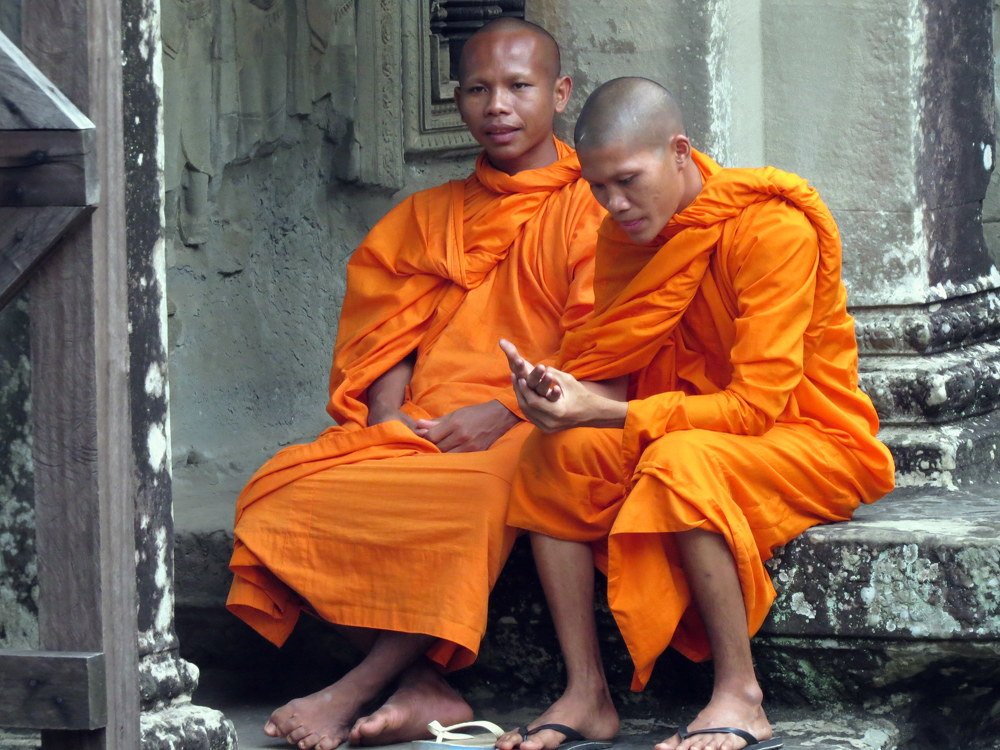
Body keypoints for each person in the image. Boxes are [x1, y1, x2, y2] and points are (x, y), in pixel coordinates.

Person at [226, 19, 605, 750]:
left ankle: (354, 688)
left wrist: (506, 410)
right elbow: (390, 336)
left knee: (476, 500)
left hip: (537, 421)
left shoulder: (595, 206)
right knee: (280, 497)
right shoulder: (428, 216)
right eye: (478, 89)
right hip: (427, 420)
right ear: (456, 100)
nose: (498, 105)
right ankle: (428, 684)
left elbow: (603, 346)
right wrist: (387, 418)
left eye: (519, 86)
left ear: (559, 93)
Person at [496, 77, 895, 750]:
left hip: (809, 440)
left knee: (678, 459)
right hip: (696, 428)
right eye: (598, 187)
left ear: (679, 151)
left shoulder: (770, 228)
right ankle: (587, 692)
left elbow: (755, 407)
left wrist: (606, 412)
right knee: (553, 454)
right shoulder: (625, 237)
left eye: (628, 181)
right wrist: (562, 396)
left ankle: (741, 693)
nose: (614, 204)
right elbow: (620, 364)